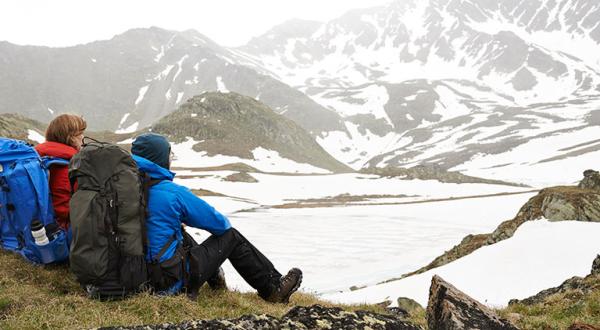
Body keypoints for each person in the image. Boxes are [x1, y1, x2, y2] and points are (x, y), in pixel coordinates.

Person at [130, 133, 302, 303]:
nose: (171, 160)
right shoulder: (172, 193)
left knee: (179, 234)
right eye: (169, 155)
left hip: (131, 279)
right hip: (166, 283)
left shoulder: (118, 192)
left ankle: (215, 279)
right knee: (231, 236)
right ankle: (274, 288)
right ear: (159, 158)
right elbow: (220, 225)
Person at [35, 114, 86, 230]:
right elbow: (63, 210)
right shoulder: (65, 165)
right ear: (71, 137)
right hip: (60, 233)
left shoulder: (40, 155)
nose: (83, 137)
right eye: (80, 134)